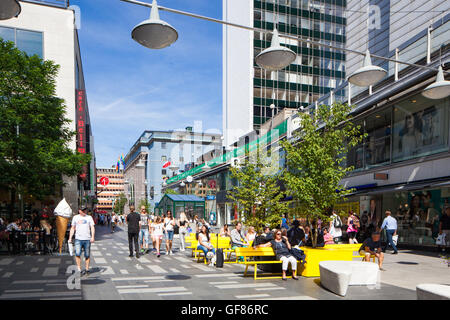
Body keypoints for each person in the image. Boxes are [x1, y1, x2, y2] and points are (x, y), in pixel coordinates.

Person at [68, 206, 95, 276]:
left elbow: (92, 227)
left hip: (87, 239)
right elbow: (73, 228)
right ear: (79, 210)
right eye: (83, 210)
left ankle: (87, 269)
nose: (84, 212)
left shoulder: (89, 217)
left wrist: (92, 237)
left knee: (87, 255)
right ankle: (79, 269)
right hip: (78, 239)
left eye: (85, 210)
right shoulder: (75, 217)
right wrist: (70, 237)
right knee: (77, 254)